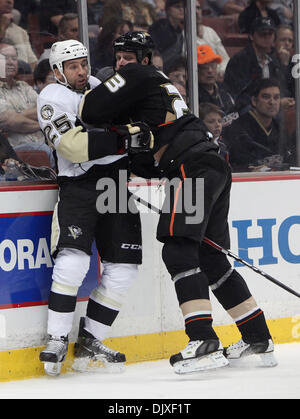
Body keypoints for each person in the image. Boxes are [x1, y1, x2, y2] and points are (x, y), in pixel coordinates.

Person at [79, 31, 277, 374]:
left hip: (191, 168)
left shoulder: (139, 75)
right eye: (119, 57)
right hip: (210, 165)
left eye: (129, 56)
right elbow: (144, 158)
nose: (122, 63)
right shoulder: (150, 91)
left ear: (144, 59)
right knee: (211, 256)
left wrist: (113, 126)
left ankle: (202, 341)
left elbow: (89, 110)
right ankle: (258, 339)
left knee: (178, 249)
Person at [37, 39, 145, 376]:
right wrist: (126, 139)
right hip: (80, 186)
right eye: (73, 66)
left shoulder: (100, 86)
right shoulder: (51, 98)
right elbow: (73, 146)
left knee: (125, 266)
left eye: (84, 63)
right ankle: (56, 338)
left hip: (116, 183)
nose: (82, 71)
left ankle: (91, 339)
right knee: (73, 261)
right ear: (58, 71)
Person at [0, 41, 53, 165]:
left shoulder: (24, 87)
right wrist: (44, 124)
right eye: (4, 58)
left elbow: (46, 109)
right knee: (47, 152)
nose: (10, 62)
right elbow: (10, 122)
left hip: (42, 144)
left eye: (14, 58)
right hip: (13, 152)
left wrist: (16, 115)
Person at [222, 78, 291, 172]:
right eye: (266, 97)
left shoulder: (280, 129)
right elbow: (234, 166)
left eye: (276, 97)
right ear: (254, 101)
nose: (272, 102)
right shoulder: (238, 129)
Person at [224, 17, 281, 111]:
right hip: (246, 110)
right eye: (262, 33)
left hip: (269, 108)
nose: (267, 37)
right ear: (251, 36)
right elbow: (238, 94)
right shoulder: (239, 60)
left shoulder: (274, 61)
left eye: (270, 34)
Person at [197, 45, 235, 116]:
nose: (210, 71)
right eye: (205, 67)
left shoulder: (224, 90)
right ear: (196, 70)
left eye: (213, 66)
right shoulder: (191, 94)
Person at [0, 0, 38, 70]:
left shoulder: (20, 31)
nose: (10, 1)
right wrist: (3, 27)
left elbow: (32, 62)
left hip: (21, 77)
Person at [149, 0, 185, 71]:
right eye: (177, 7)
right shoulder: (159, 26)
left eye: (183, 7)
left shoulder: (179, 31)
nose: (182, 9)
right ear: (168, 10)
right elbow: (152, 50)